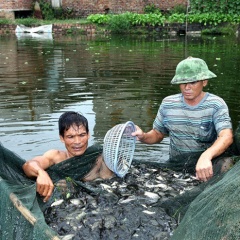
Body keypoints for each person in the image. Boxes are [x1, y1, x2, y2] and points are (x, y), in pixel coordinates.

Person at [132, 57, 233, 182]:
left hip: (206, 166)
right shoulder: (168, 103)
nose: (187, 87)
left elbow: (226, 136)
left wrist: (206, 156)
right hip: (176, 166)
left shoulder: (216, 104)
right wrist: (143, 136)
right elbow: (157, 134)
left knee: (226, 164)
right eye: (183, 82)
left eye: (193, 82)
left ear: (204, 82)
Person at [23, 111, 113, 202]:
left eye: (82, 135)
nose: (77, 142)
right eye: (70, 137)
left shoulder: (98, 156)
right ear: (62, 138)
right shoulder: (56, 156)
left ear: (88, 135)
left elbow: (110, 183)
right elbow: (28, 165)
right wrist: (41, 173)